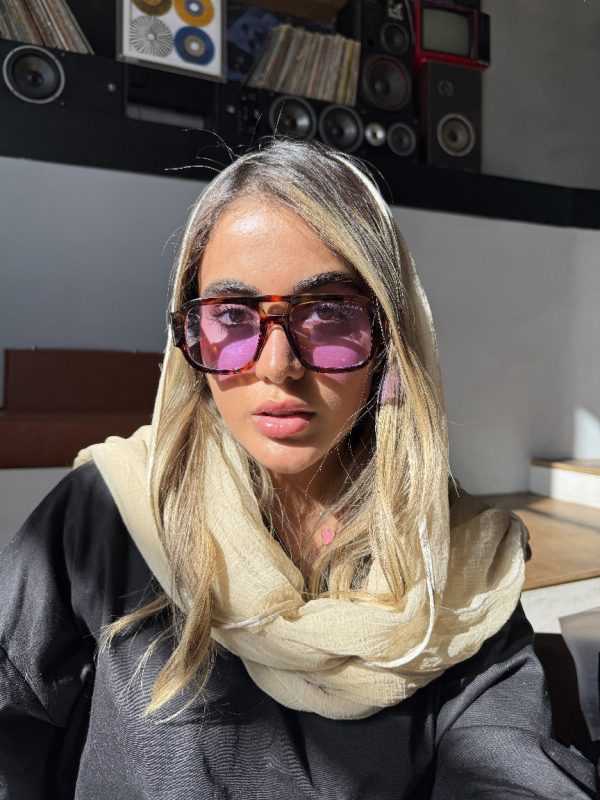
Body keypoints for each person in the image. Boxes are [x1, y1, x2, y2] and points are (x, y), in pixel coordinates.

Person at [0, 138, 596, 800]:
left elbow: (509, 766)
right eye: (232, 315)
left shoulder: (456, 567)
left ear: (390, 336)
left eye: (329, 312)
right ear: (190, 332)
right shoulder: (111, 511)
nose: (277, 366)